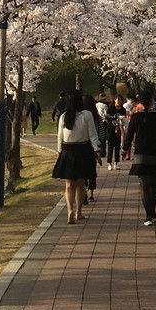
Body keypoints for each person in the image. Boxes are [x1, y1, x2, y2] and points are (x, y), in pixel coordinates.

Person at [53, 91, 102, 223]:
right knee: (80, 184)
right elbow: (92, 133)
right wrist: (97, 150)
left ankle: (70, 211)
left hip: (67, 150)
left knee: (69, 185)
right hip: (83, 149)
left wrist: (60, 152)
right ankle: (78, 212)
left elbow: (60, 137)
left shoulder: (64, 116)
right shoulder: (87, 115)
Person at [122, 85, 156, 226]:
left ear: (139, 102)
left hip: (141, 154)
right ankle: (152, 211)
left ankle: (149, 215)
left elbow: (129, 136)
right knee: (154, 184)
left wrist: (124, 150)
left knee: (144, 185)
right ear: (152, 102)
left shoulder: (136, 117)